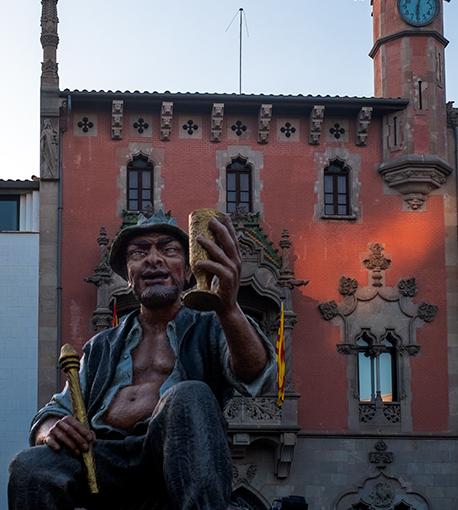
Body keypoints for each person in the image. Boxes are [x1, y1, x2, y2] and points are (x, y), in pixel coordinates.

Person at [9, 209, 276, 510]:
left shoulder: (210, 325)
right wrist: (51, 429)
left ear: (188, 271)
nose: (153, 259)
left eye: (168, 249)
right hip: (102, 459)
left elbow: (257, 373)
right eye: (139, 252)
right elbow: (56, 409)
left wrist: (228, 309)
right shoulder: (101, 346)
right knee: (30, 466)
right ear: (127, 274)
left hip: (175, 454)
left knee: (189, 393)